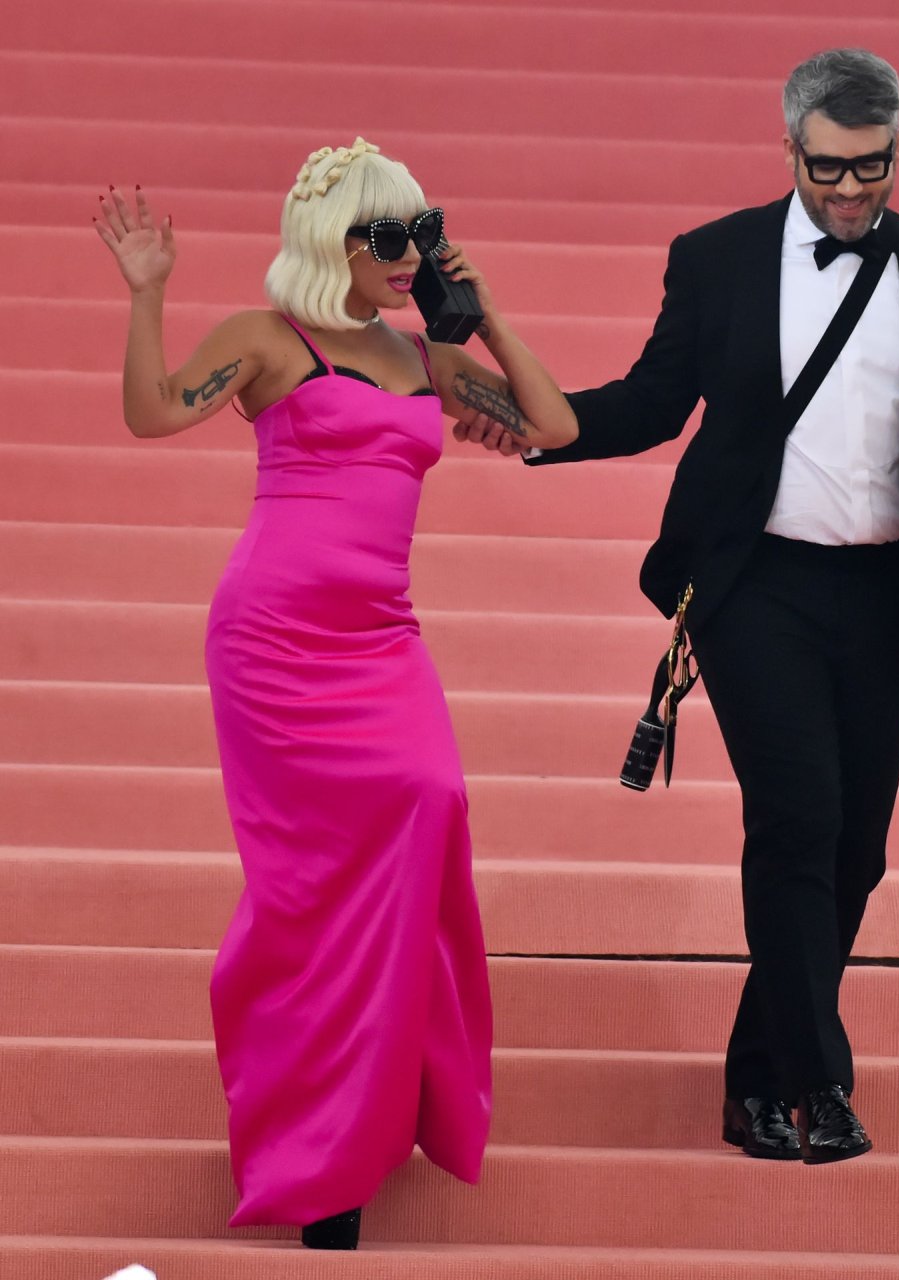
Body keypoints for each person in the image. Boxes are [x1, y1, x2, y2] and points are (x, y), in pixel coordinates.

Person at [455, 49, 899, 1162]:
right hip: (753, 585)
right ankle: (819, 1083)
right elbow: (650, 404)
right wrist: (533, 424)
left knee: (855, 851)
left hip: (886, 593)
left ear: (896, 149)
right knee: (795, 819)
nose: (849, 189)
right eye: (827, 167)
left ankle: (754, 1078)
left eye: (869, 166)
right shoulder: (719, 258)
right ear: (789, 148)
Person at [93, 137, 578, 1249]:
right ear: (331, 240)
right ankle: (325, 1161)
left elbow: (553, 428)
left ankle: (368, 1114)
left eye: (422, 231)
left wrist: (483, 315)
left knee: (431, 801)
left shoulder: (422, 356)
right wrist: (148, 292)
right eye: (388, 235)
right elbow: (153, 412)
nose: (410, 254)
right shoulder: (268, 338)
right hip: (273, 645)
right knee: (309, 893)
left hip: (381, 641)